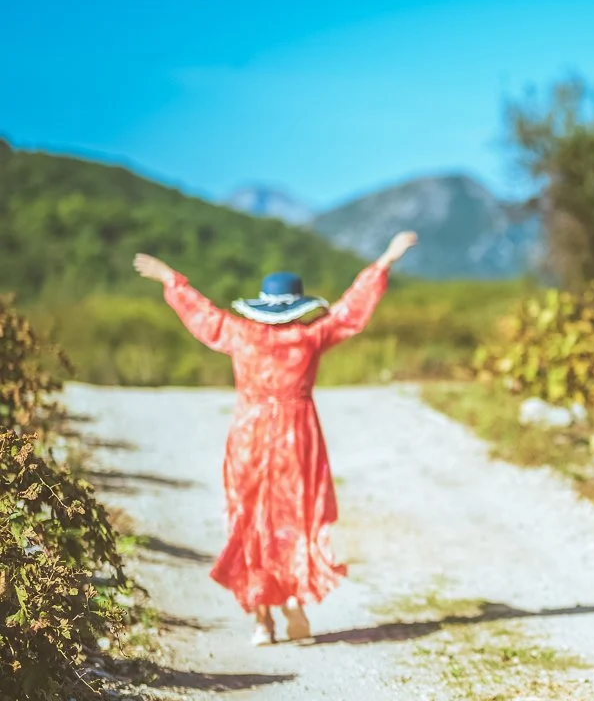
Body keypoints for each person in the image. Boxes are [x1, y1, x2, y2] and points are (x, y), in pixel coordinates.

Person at [132, 232, 418, 645]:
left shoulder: (239, 334)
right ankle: (293, 605)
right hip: (297, 436)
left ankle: (262, 621)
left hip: (248, 435)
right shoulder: (310, 337)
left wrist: (170, 279)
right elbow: (349, 312)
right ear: (299, 306)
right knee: (293, 521)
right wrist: (384, 262)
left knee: (250, 521)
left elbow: (204, 316)